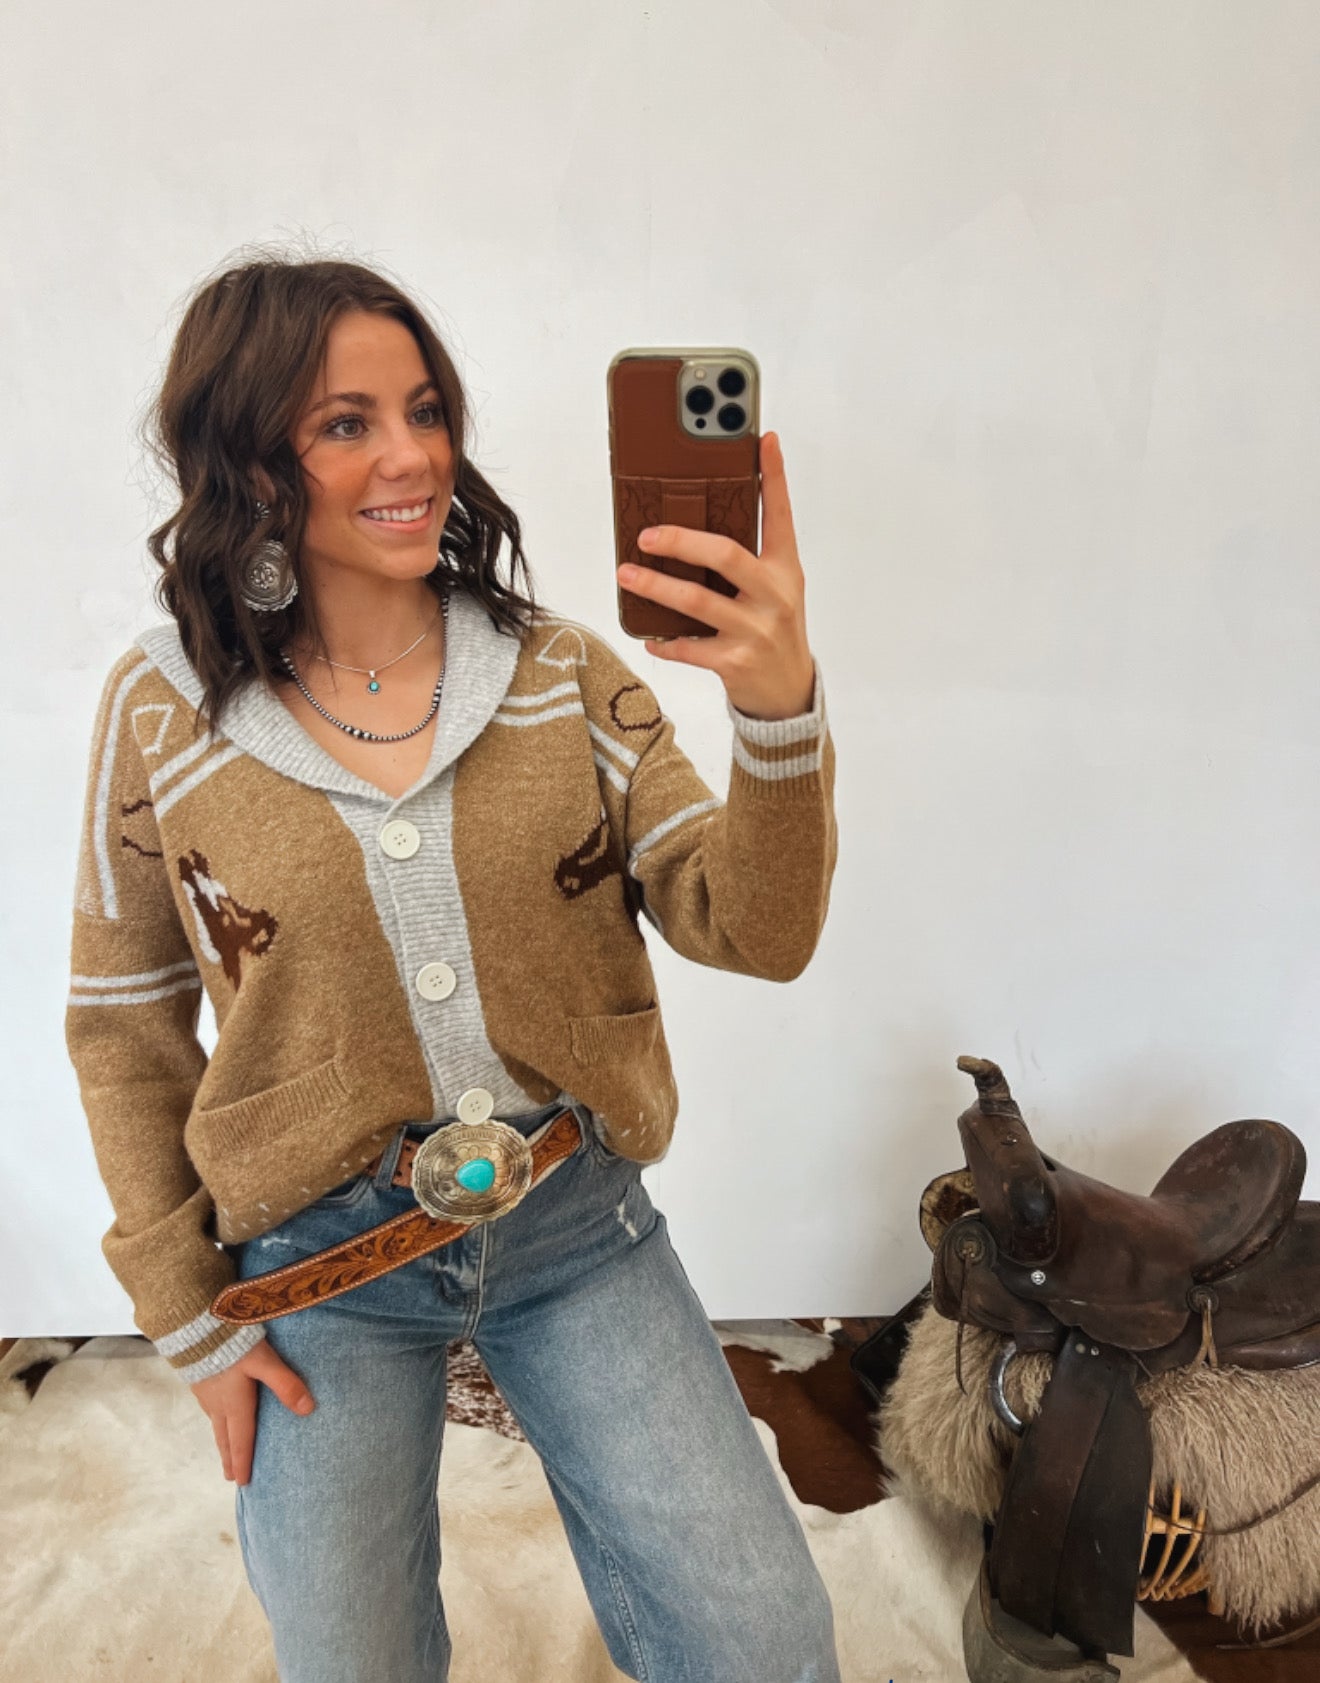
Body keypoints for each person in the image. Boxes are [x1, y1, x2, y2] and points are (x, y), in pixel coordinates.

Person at [65, 253, 840, 1683]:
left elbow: (757, 929)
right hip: (317, 1263)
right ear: (248, 460)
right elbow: (124, 1026)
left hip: (575, 1227)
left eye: (424, 410)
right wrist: (186, 1316)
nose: (413, 455)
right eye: (345, 423)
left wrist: (776, 709)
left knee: (769, 1644)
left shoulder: (561, 673)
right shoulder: (162, 708)